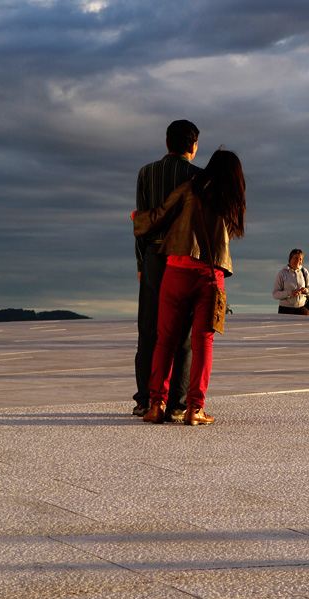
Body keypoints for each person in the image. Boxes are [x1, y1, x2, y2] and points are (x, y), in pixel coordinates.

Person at [132, 149, 246, 425]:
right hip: (210, 275)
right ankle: (195, 409)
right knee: (203, 343)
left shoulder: (190, 188)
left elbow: (161, 214)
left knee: (165, 340)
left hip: (177, 270)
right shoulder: (232, 201)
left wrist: (138, 218)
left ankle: (156, 405)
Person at [132, 120, 201, 421]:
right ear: (194, 146)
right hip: (185, 258)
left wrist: (141, 264)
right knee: (182, 332)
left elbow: (141, 221)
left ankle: (145, 400)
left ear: (166, 143)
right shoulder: (198, 177)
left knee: (149, 329)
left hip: (153, 256)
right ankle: (177, 402)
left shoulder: (146, 173)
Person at [273, 249, 309, 315]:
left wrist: (306, 290)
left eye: (300, 259)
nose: (298, 261)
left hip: (302, 309)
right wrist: (290, 293)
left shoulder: (304, 272)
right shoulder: (282, 273)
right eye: (296, 258)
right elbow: (275, 294)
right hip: (285, 310)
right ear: (290, 259)